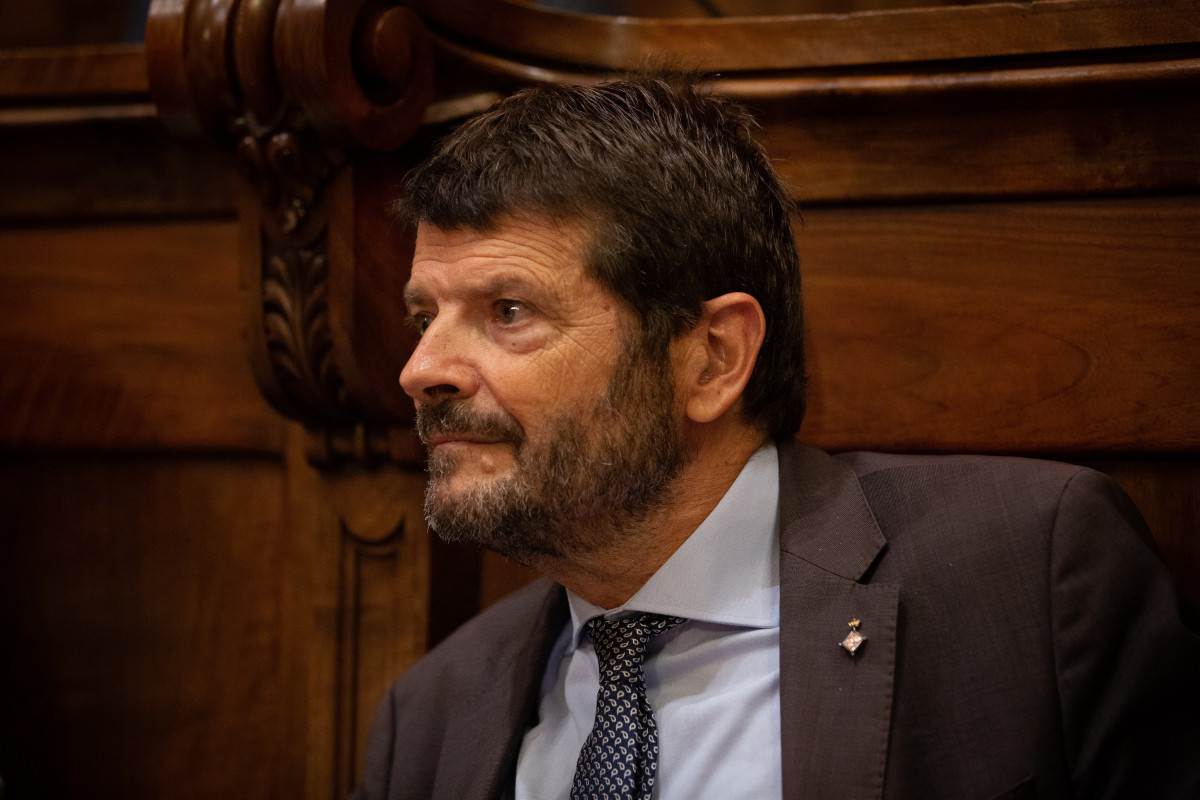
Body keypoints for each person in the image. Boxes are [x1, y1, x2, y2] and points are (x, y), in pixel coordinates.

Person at [353, 75, 1200, 800]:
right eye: (425, 318)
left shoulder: (1028, 577)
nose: (421, 370)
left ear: (712, 359)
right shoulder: (427, 719)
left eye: (508, 311)